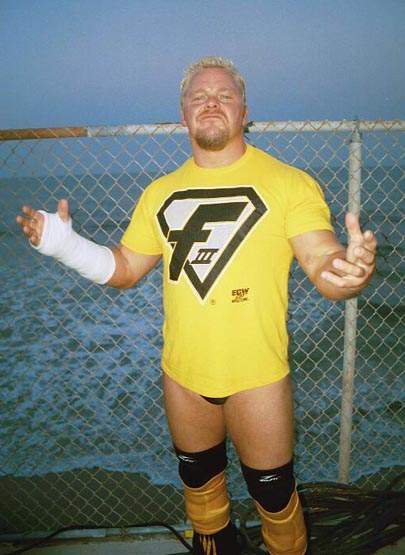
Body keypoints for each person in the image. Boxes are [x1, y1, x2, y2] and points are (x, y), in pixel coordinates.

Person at [16, 56, 377, 555]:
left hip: (258, 378)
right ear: (183, 115)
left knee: (275, 501)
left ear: (244, 112)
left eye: (225, 96)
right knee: (203, 498)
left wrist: (347, 272)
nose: (211, 103)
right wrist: (66, 246)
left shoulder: (289, 183)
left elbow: (322, 261)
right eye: (199, 97)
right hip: (183, 377)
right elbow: (125, 269)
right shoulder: (159, 193)